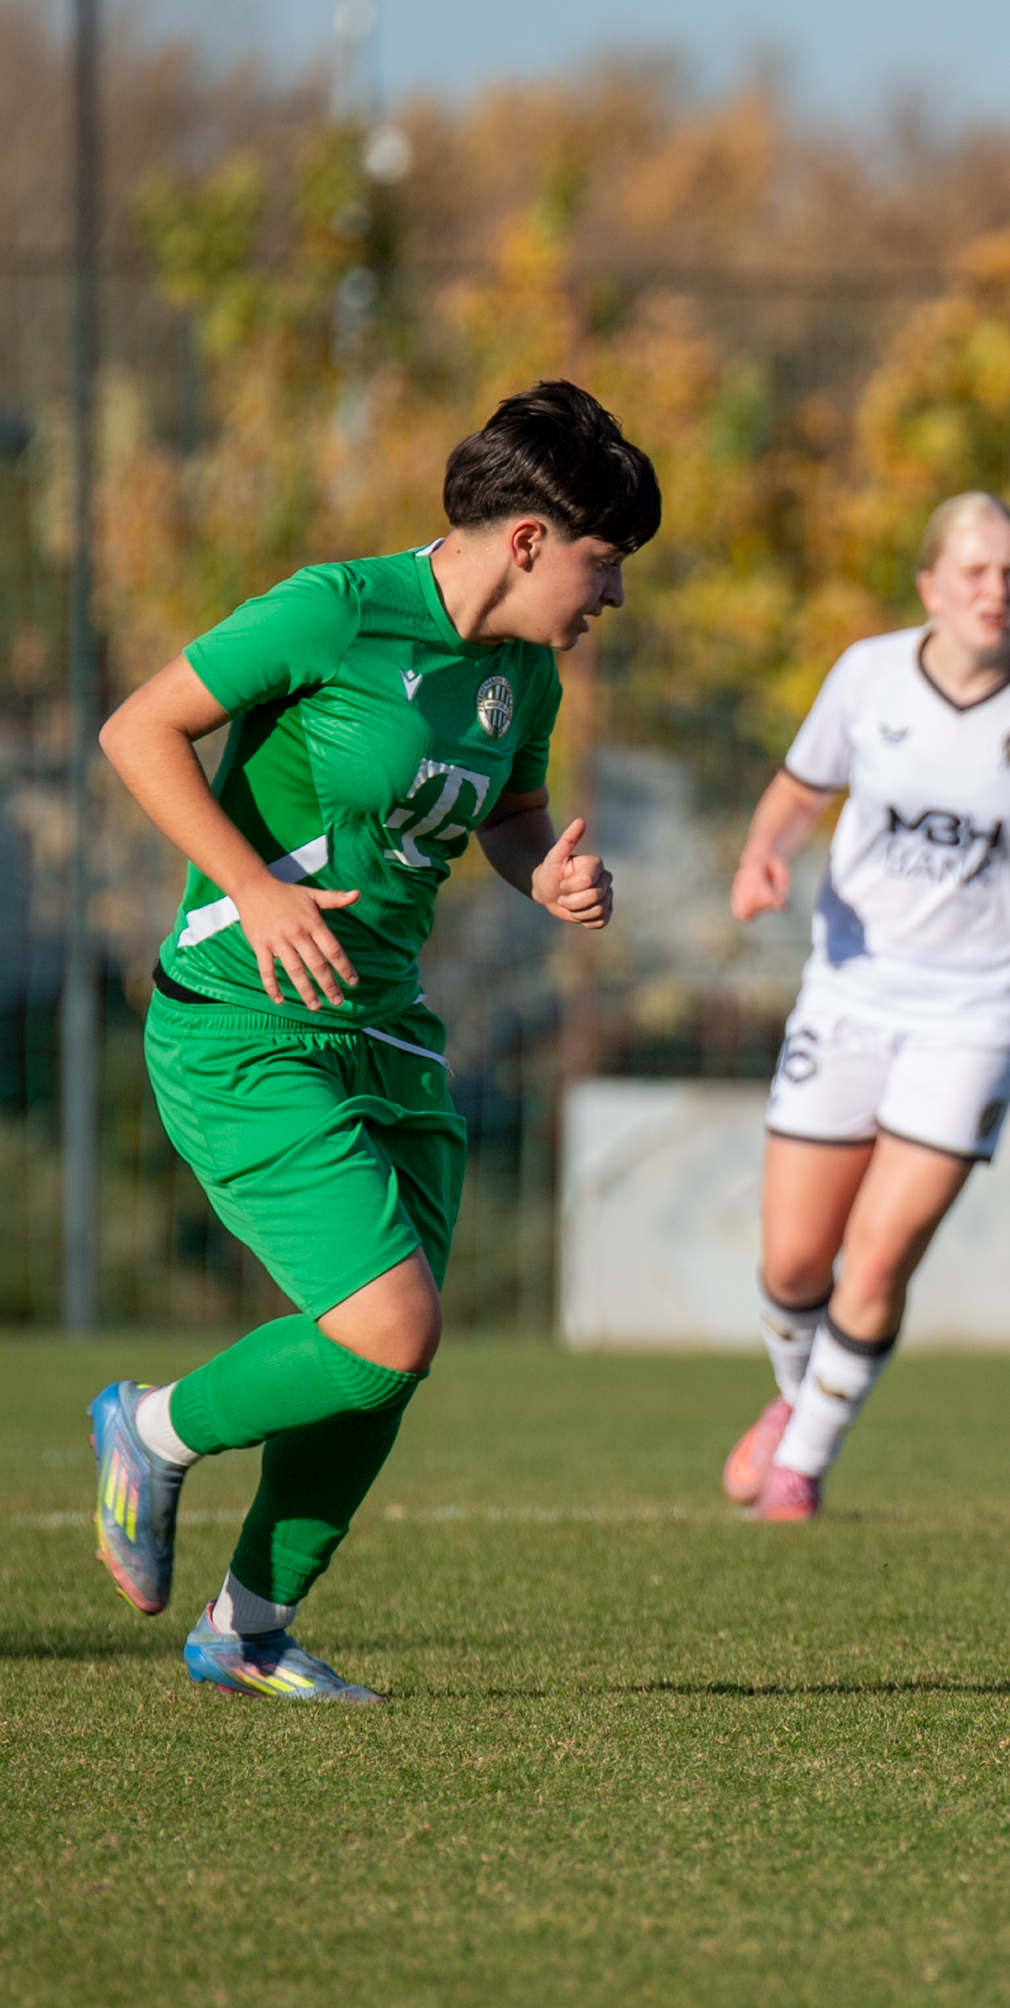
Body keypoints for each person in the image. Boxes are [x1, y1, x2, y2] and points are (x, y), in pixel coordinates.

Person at [85, 381, 652, 1702]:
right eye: (603, 563)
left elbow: (509, 817)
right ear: (526, 542)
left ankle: (250, 1631)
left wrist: (545, 876)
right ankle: (151, 1430)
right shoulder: (334, 610)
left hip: (386, 1034)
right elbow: (138, 730)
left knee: (395, 1351)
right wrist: (258, 884)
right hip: (244, 1027)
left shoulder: (522, 675)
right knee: (389, 1324)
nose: (611, 597)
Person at [720, 493, 1010, 1522]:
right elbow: (797, 787)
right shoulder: (867, 675)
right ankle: (798, 1397)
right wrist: (761, 853)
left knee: (877, 1253)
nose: (997, 592)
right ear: (929, 586)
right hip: (852, 989)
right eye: (975, 572)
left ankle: (801, 1468)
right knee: (791, 1262)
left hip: (980, 1006)